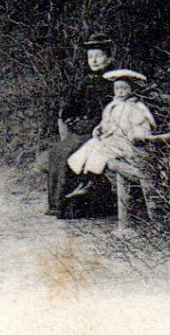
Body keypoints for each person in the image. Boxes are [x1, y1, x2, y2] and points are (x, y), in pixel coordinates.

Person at [66, 69, 159, 236]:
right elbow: (106, 123)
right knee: (91, 145)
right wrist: (99, 129)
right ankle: (87, 179)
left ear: (131, 90)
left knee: (101, 152)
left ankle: (91, 180)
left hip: (129, 146)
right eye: (118, 88)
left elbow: (143, 127)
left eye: (124, 88)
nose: (121, 91)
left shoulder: (137, 107)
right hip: (113, 140)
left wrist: (137, 135)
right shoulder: (112, 106)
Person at [47, 33, 120, 218]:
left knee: (67, 152)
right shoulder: (87, 81)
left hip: (103, 132)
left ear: (109, 57)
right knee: (57, 150)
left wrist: (94, 124)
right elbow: (71, 107)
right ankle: (59, 204)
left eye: (98, 55)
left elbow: (115, 112)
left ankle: (69, 204)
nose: (93, 60)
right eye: (90, 56)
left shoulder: (117, 82)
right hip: (83, 129)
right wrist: (72, 119)